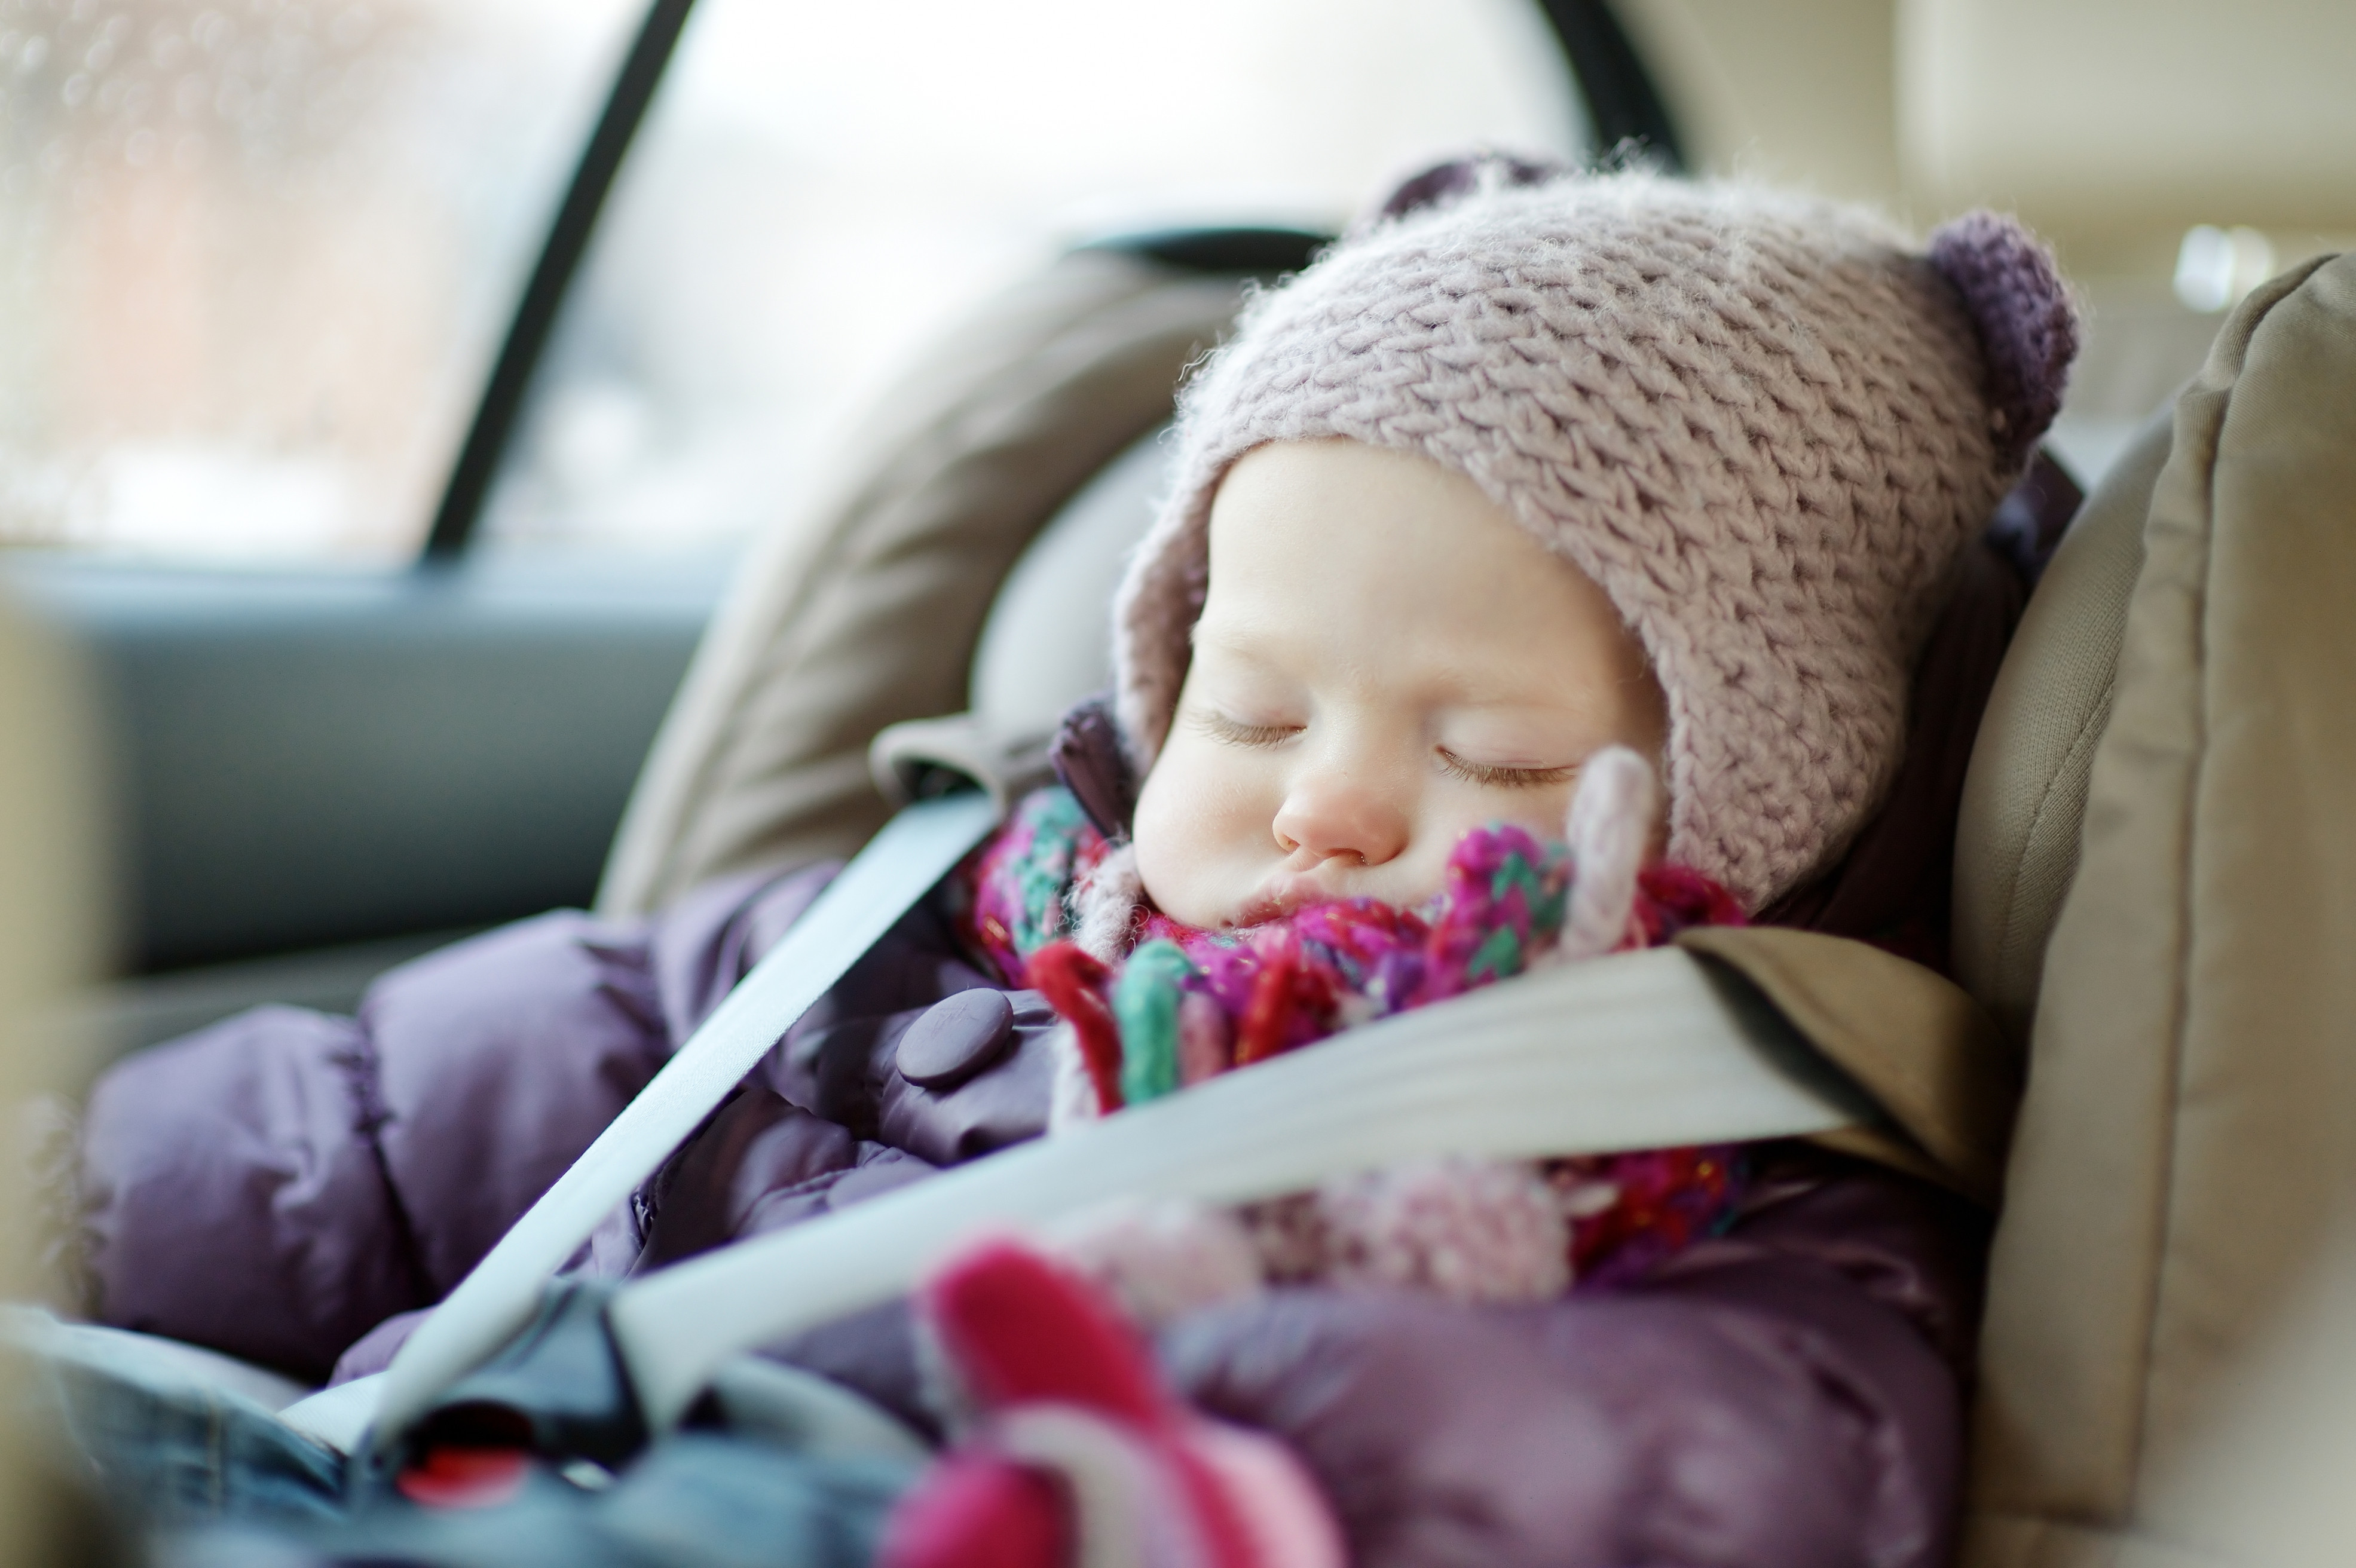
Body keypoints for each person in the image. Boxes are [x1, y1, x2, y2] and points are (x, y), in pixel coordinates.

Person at [57, 158, 2077, 1566]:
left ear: (1792, 798)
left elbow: (1730, 1460)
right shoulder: (919, 934)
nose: (1321, 809)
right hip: (365, 1463)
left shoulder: (1731, 1170)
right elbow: (382, 1123)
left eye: (1491, 755)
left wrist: (1253, 1469)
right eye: (1258, 708)